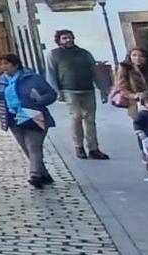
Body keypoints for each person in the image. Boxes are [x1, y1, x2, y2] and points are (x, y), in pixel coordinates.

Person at [0, 53, 57, 188]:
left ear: (16, 65)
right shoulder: (2, 80)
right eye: (1, 64)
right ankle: (44, 175)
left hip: (33, 114)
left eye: (6, 64)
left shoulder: (33, 78)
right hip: (12, 118)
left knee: (33, 146)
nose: (3, 67)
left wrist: (39, 99)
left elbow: (51, 94)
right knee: (26, 147)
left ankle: (34, 175)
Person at [44, 30, 105, 160]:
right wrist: (56, 91)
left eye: (70, 37)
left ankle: (93, 148)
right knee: (76, 117)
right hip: (69, 90)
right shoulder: (54, 54)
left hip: (88, 89)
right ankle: (79, 146)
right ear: (59, 40)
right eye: (65, 38)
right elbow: (51, 73)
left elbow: (94, 71)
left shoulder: (84, 53)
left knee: (90, 120)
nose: (68, 40)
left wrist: (102, 89)